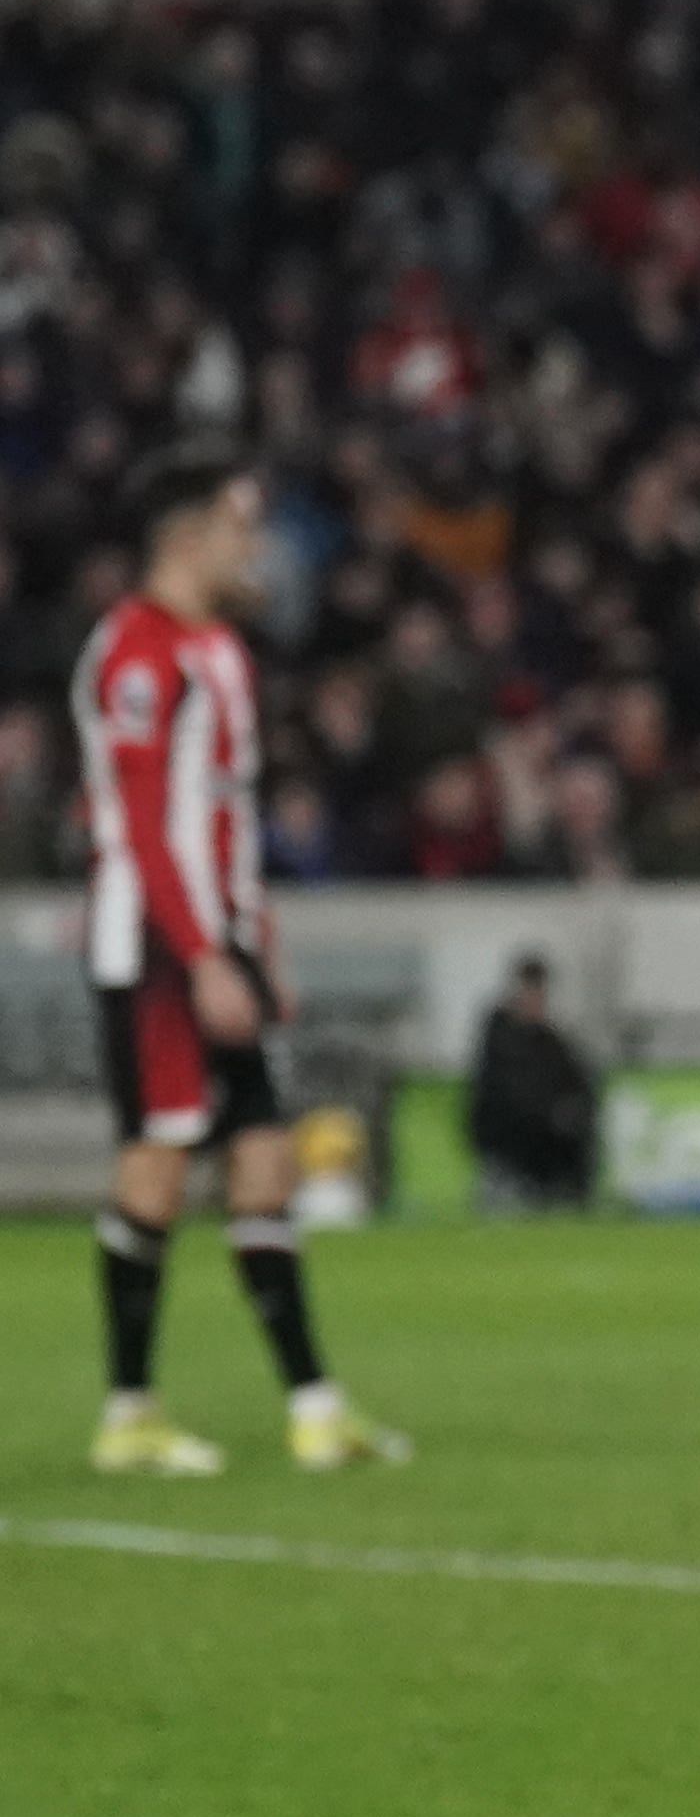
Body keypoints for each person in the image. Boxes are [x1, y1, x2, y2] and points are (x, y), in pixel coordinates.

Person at [73, 445, 412, 1476]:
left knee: (267, 1163)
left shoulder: (219, 649)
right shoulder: (135, 654)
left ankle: (314, 1407)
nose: (253, 541)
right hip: (157, 951)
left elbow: (225, 821)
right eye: (238, 522)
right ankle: (129, 1411)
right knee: (159, 1165)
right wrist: (203, 957)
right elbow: (138, 827)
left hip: (220, 942)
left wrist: (257, 945)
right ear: (184, 535)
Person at [466, 952, 600, 1207]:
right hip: (509, 1134)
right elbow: (503, 1091)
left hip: (548, 1136)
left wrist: (568, 1111)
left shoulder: (550, 1040)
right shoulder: (500, 1037)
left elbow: (579, 1081)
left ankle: (566, 1193)